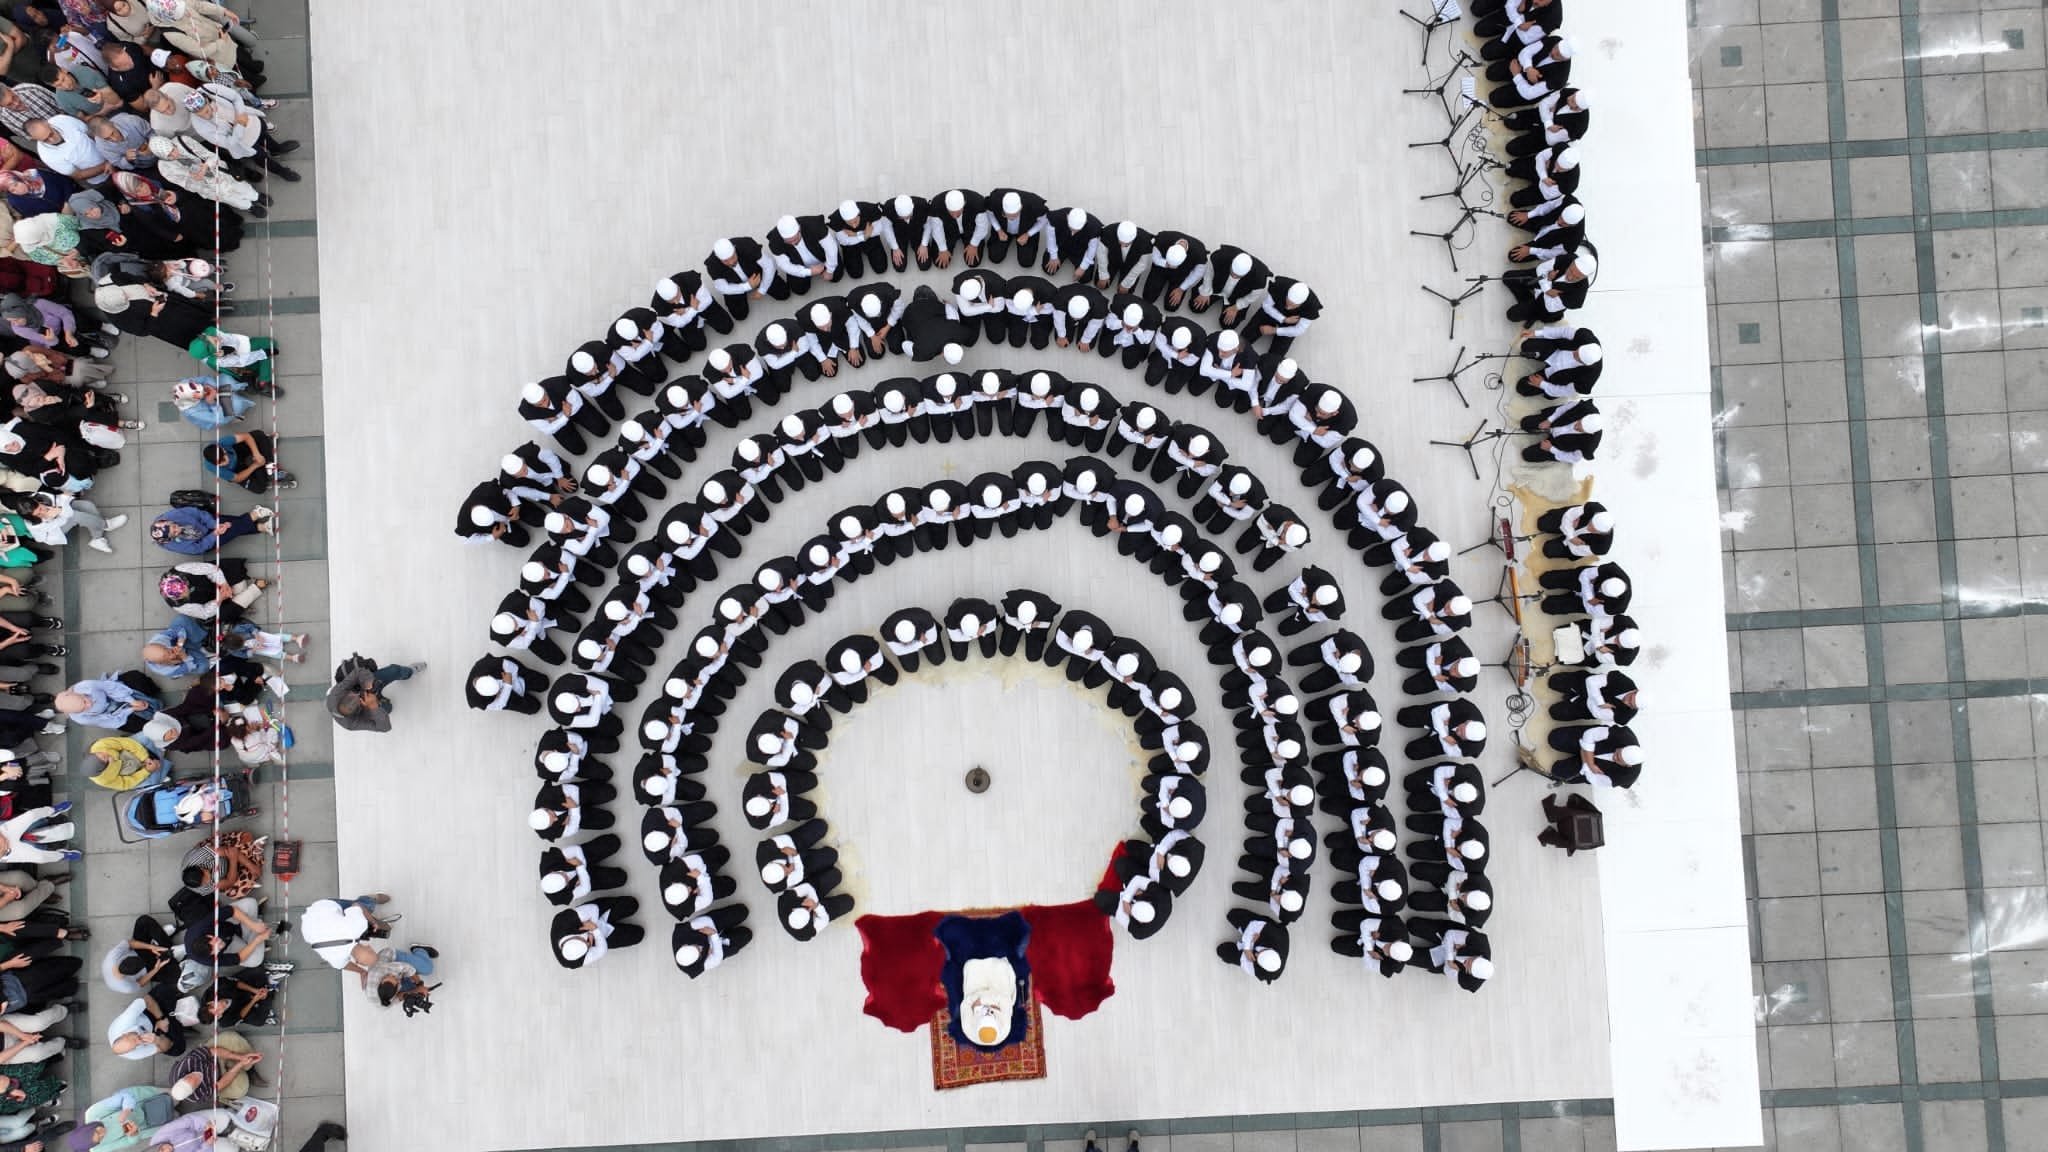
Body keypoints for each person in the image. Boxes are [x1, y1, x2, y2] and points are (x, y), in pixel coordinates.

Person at [325, 655, 425, 733]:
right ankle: (381, 701)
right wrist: (373, 706)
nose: (358, 696)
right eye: (357, 701)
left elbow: (357, 672)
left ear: (344, 696)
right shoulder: (352, 724)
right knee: (388, 708)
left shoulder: (336, 693)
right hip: (370, 706)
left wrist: (368, 683)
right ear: (356, 712)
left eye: (352, 695)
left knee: (394, 670)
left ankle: (410, 671)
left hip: (365, 685)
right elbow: (384, 727)